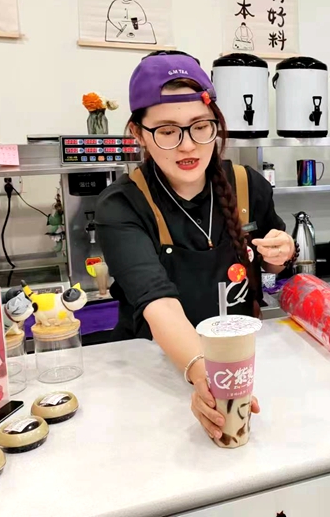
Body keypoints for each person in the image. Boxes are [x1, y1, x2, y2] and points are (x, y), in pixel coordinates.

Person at [96, 51, 296, 440]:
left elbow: (271, 265)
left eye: (200, 127)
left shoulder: (247, 185)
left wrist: (280, 254)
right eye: (167, 131)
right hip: (157, 371)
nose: (188, 146)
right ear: (138, 133)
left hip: (242, 363)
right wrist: (210, 375)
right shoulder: (122, 206)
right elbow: (157, 302)